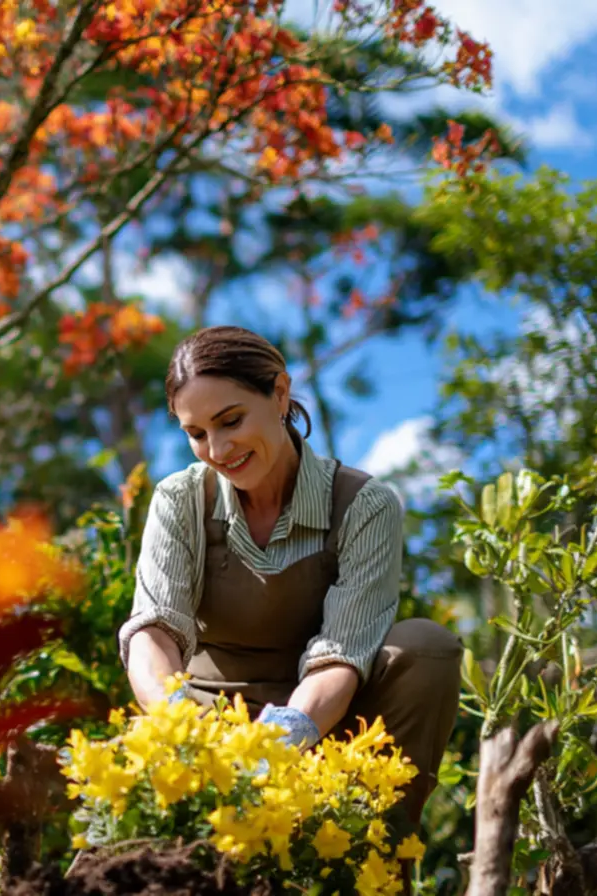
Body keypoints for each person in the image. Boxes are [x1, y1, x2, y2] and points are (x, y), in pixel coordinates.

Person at [119, 325, 463, 835]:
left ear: (279, 393)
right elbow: (152, 635)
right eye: (196, 434)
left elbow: (341, 657)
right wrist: (184, 733)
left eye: (230, 420)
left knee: (425, 646)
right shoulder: (180, 500)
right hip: (207, 722)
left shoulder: (364, 506)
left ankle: (376, 857)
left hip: (324, 720)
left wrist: (276, 748)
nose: (217, 448)